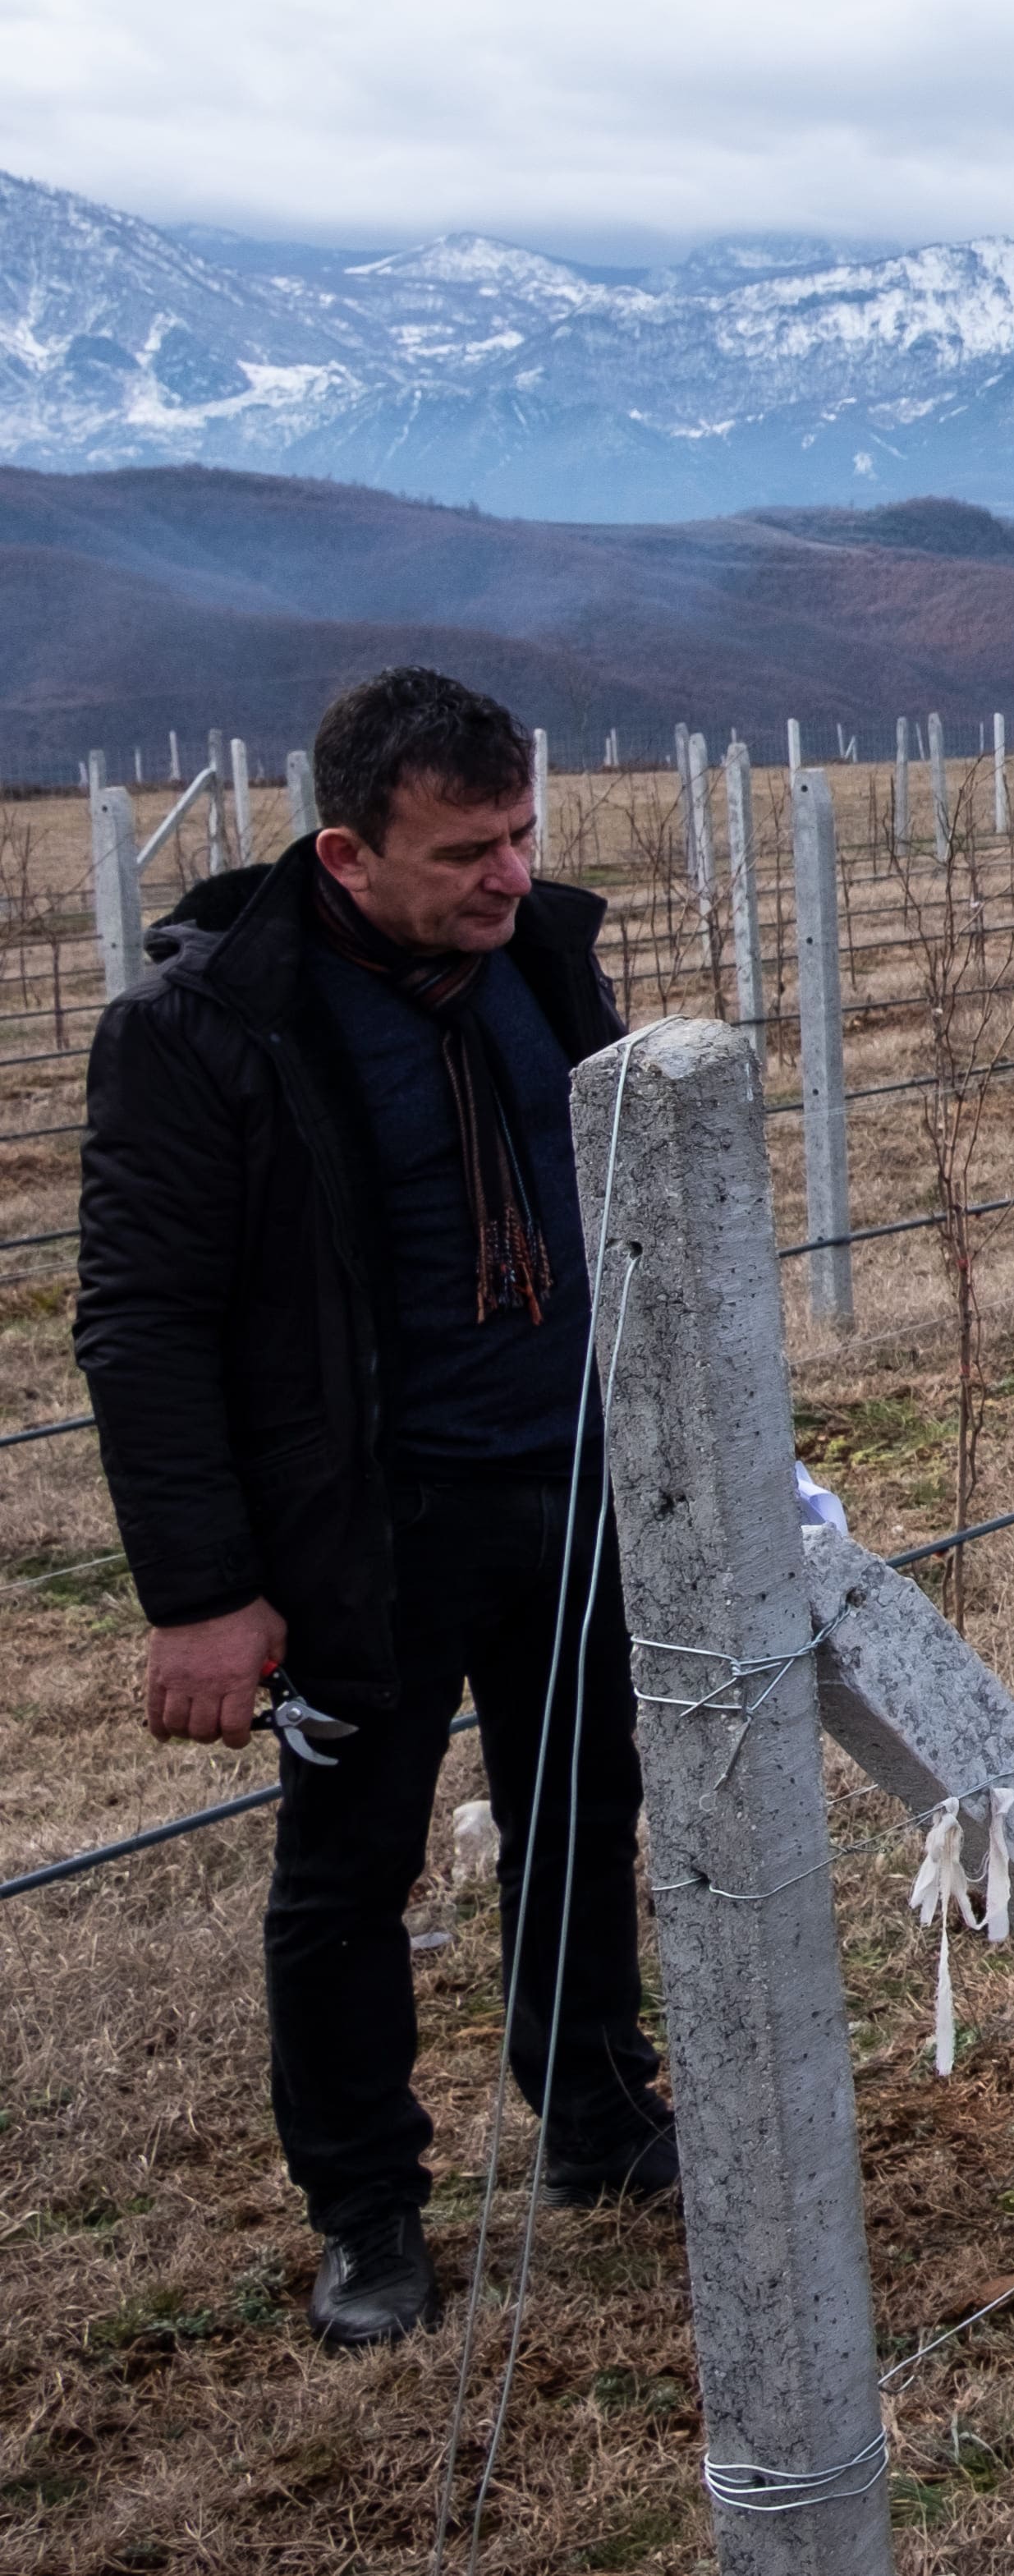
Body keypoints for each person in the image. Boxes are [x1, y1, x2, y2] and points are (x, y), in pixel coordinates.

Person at [76, 667, 673, 2353]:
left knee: (584, 1804)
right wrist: (201, 1589)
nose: (508, 872)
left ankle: (595, 2109)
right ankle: (369, 2209)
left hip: (566, 1490)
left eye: (523, 831)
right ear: (344, 852)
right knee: (346, 1878)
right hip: (366, 1527)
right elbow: (144, 1319)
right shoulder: (204, 1030)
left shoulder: (540, 963)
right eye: (466, 848)